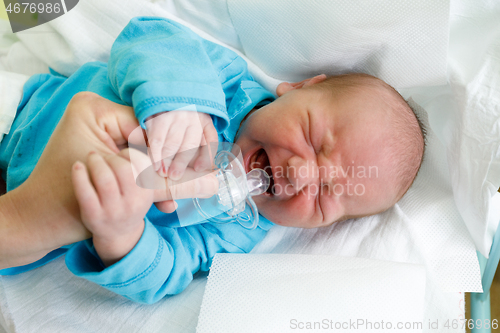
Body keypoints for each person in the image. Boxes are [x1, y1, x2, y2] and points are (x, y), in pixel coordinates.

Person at [0, 17, 425, 303]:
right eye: (313, 138)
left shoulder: (236, 230)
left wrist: (121, 234)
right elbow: (150, 35)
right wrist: (179, 104)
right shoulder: (221, 81)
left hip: (30, 218)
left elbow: (169, 272)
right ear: (295, 88)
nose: (300, 174)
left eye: (324, 197)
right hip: (23, 111)